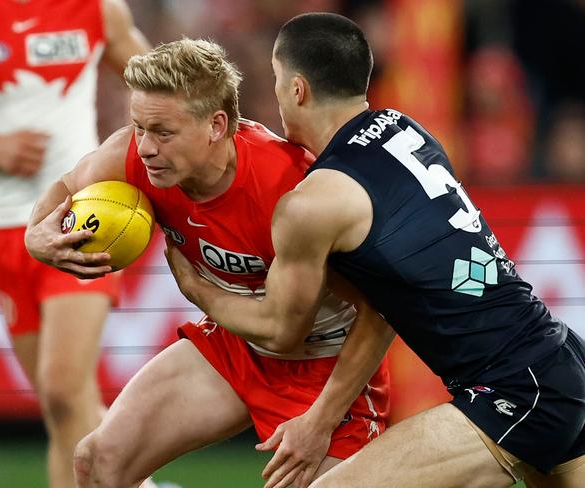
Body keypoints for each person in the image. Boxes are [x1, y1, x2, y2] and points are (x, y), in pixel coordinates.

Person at [165, 12, 585, 488]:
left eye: (278, 80)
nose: (277, 93)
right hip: (559, 362)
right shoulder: (403, 129)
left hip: (512, 388)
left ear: (297, 89)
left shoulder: (315, 202)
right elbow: (384, 308)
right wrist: (322, 418)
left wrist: (197, 288)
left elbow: (280, 330)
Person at [23, 38, 392, 488]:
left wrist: (320, 421)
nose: (144, 148)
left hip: (327, 369)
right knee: (97, 461)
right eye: (138, 127)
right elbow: (64, 187)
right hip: (235, 346)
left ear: (217, 125)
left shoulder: (294, 189)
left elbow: (381, 308)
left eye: (163, 132)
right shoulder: (131, 159)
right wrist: (36, 237)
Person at [0, 1, 150, 487]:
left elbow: (162, 89)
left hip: (82, 216)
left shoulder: (96, 8)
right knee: (62, 408)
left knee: (63, 391)